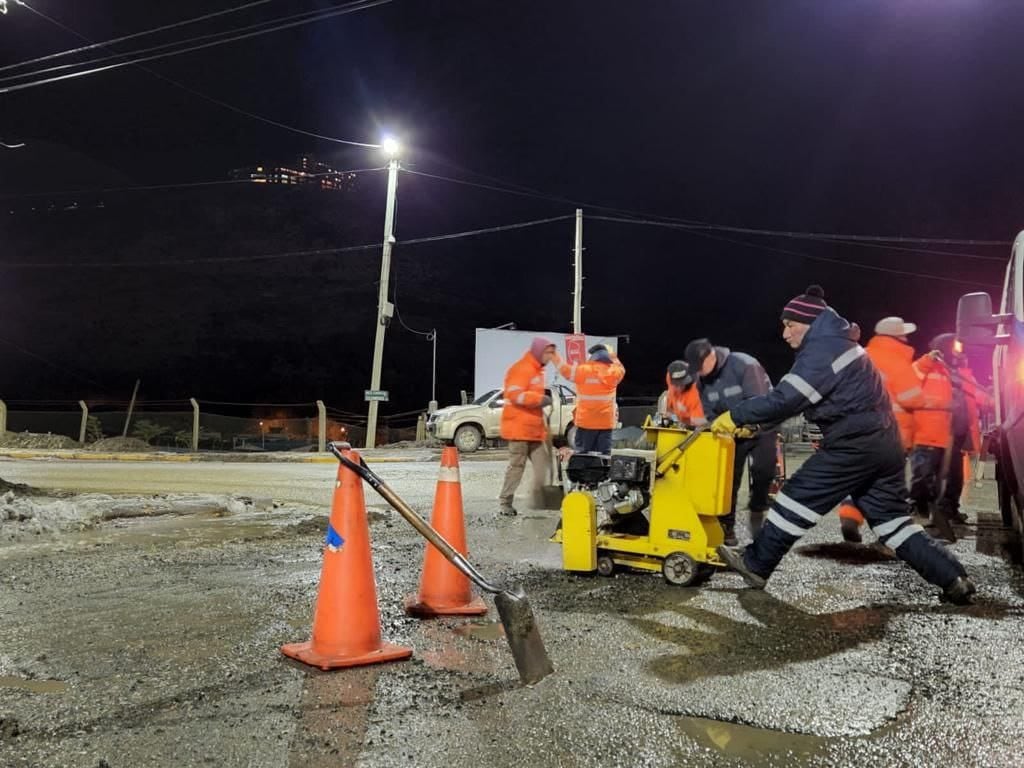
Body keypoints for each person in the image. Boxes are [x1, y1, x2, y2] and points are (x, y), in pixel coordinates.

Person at [712, 285, 975, 605]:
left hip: (855, 444)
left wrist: (735, 415)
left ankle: (756, 563)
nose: (784, 333)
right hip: (885, 444)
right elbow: (800, 401)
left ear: (808, 322)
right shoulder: (840, 344)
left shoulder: (823, 350)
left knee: (796, 497)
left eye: (789, 324)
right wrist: (755, 426)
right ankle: (953, 577)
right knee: (893, 523)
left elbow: (786, 399)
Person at [838, 316, 928, 542]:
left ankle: (849, 515)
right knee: (888, 486)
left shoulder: (862, 356)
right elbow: (912, 399)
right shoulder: (899, 361)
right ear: (897, 336)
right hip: (893, 434)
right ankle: (889, 535)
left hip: (859, 431)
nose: (906, 338)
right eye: (903, 334)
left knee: (859, 478)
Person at [685, 337, 774, 544]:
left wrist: (752, 426)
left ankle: (760, 521)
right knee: (727, 480)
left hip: (763, 426)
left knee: (762, 473)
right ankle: (726, 528)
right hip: (732, 432)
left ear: (711, 356)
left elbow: (760, 400)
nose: (699, 372)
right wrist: (718, 427)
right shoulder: (702, 381)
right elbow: (708, 412)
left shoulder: (744, 364)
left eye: (701, 367)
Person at [497, 337, 556, 517]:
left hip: (535, 431)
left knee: (543, 465)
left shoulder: (538, 372)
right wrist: (539, 400)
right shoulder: (521, 369)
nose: (551, 357)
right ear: (538, 351)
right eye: (548, 352)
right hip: (518, 430)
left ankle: (537, 501)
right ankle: (505, 502)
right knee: (517, 467)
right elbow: (515, 395)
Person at [908, 336, 955, 537]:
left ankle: (927, 513)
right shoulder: (923, 366)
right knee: (922, 476)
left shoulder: (945, 372)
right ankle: (917, 511)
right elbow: (911, 377)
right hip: (924, 433)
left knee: (934, 480)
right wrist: (928, 359)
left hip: (940, 435)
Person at [554, 343, 625, 455]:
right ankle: (601, 473)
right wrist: (613, 356)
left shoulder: (583, 370)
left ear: (592, 356)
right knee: (604, 456)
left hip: (586, 423)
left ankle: (582, 472)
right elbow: (621, 369)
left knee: (583, 455)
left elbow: (565, 371)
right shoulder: (613, 372)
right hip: (605, 424)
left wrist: (554, 355)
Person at [658, 360, 706, 427]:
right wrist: (668, 413)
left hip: (695, 416)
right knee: (664, 396)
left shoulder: (694, 392)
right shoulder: (670, 375)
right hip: (674, 408)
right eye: (677, 384)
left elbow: (700, 421)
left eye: (682, 383)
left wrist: (681, 416)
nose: (680, 387)